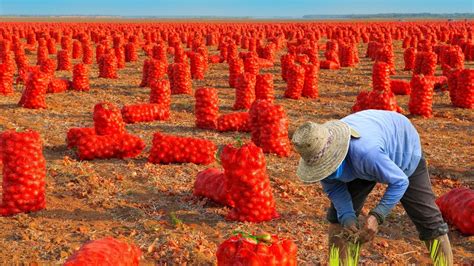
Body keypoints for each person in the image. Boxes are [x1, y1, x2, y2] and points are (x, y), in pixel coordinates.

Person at [291, 109, 453, 264]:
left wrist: (377, 215)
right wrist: (347, 217)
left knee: (430, 223)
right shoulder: (316, 155)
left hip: (401, 145)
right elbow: (334, 188)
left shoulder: (366, 153)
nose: (326, 171)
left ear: (337, 155)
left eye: (328, 165)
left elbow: (400, 181)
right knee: (338, 222)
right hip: (363, 158)